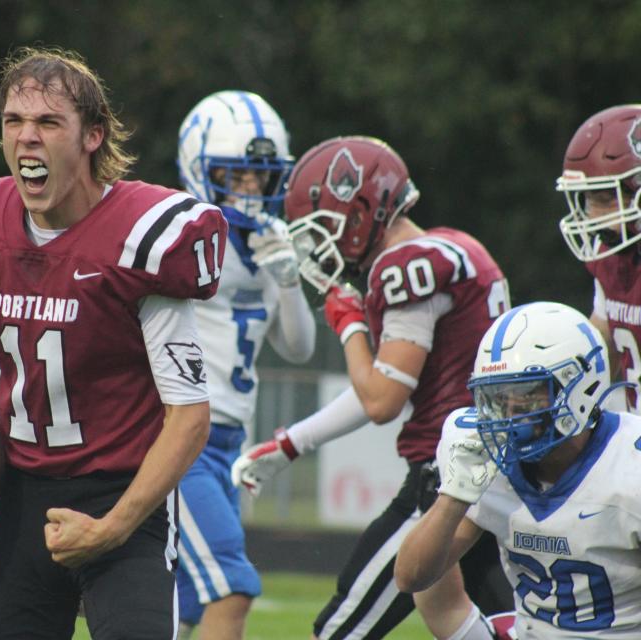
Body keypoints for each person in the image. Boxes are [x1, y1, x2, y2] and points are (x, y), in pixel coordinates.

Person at [0, 46, 227, 640]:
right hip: (21, 496)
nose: (27, 139)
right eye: (14, 122)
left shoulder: (141, 239)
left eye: (48, 123)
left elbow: (190, 419)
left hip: (124, 496)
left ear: (93, 136)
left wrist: (113, 528)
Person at [231, 136, 514, 639]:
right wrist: (294, 442)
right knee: (503, 625)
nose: (324, 247)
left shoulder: (404, 266)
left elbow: (383, 399)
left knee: (341, 630)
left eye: (327, 228)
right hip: (494, 471)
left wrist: (348, 324)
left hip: (446, 479)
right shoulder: (459, 245)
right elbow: (386, 381)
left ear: (361, 211)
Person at [395, 301, 641, 638]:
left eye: (526, 395)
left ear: (580, 385)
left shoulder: (629, 467)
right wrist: (453, 495)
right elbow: (412, 577)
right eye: (498, 398)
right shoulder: (489, 456)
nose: (509, 414)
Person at [173, 90, 316, 639]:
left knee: (184, 608)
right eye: (237, 175)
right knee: (233, 584)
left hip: (229, 444)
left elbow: (299, 346)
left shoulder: (270, 241)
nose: (251, 189)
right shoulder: (182, 235)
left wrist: (287, 278)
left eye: (261, 175)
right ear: (200, 169)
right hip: (181, 437)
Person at [556, 104, 641, 414]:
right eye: (590, 200)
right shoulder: (614, 261)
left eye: (606, 199)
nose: (593, 217)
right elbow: (596, 353)